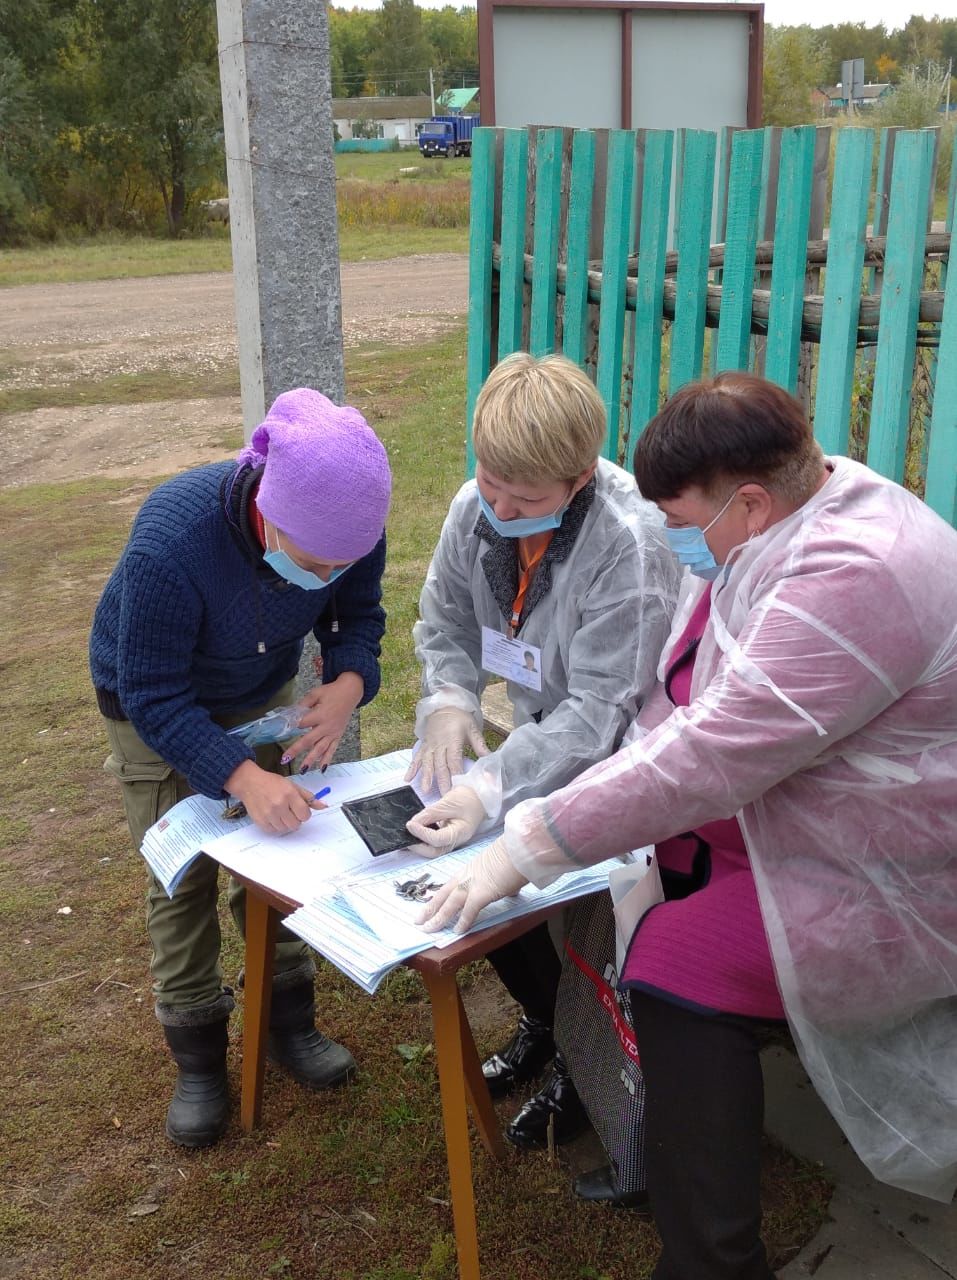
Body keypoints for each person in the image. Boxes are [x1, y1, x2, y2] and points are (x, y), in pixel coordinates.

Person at [419, 371, 957, 1279]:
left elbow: (709, 751)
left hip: (888, 864)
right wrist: (551, 804)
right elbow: (680, 707)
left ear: (746, 502)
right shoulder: (793, 514)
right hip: (801, 818)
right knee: (631, 880)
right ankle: (634, 1118)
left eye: (681, 520)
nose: (671, 540)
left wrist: (523, 844)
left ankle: (710, 1260)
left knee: (672, 965)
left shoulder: (854, 576)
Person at [403, 351, 680, 1180]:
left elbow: (600, 711)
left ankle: (584, 1062)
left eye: (523, 500)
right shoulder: (477, 505)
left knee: (576, 906)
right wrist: (449, 697)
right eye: (488, 483)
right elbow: (444, 617)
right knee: (473, 878)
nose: (497, 507)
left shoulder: (627, 545)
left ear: (578, 477)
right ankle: (543, 1022)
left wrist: (490, 786)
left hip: (614, 751)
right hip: (534, 728)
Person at [90, 388, 391, 1149]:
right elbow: (150, 691)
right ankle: (197, 1055)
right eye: (314, 560)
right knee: (182, 875)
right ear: (269, 511)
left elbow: (357, 616)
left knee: (281, 856)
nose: (326, 572)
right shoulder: (173, 539)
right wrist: (241, 776)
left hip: (261, 692)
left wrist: (349, 682)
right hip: (154, 704)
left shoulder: (350, 524)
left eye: (342, 561)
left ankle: (287, 1018)